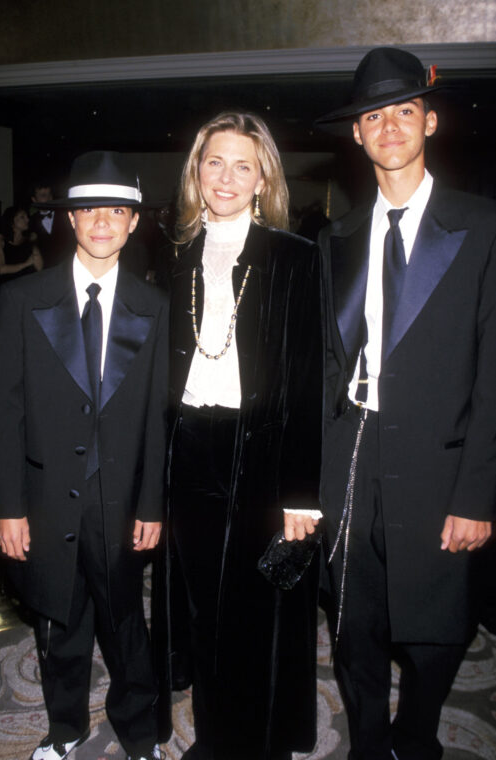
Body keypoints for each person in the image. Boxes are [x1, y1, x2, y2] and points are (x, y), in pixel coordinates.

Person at [316, 47, 496, 760]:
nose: (387, 126)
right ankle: (365, 744)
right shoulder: (329, 241)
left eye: (402, 111)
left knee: (433, 631)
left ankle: (416, 734)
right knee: (352, 628)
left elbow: (493, 372)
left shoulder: (482, 228)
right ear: (355, 136)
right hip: (348, 458)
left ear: (429, 121)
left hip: (440, 468)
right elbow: (317, 374)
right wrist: (307, 486)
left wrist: (477, 494)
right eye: (371, 116)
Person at [0, 151, 168, 760]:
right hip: (45, 496)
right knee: (58, 627)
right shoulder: (23, 299)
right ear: (69, 218)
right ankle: (64, 730)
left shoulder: (153, 306)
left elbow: (154, 421)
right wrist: (8, 509)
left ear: (134, 222)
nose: (102, 222)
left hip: (117, 501)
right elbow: (3, 416)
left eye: (116, 211)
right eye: (89, 209)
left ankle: (139, 735)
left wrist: (151, 504)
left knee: (125, 627)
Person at [163, 112, 323, 760]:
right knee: (201, 603)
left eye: (242, 165)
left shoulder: (292, 257)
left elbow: (308, 380)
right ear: (195, 174)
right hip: (187, 444)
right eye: (213, 162)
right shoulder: (169, 254)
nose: (225, 177)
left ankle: (259, 741)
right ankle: (212, 733)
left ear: (262, 181)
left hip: (260, 448)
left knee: (257, 611)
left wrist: (301, 493)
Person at [0, 205, 43, 289]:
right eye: (22, 217)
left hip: (27, 290)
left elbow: (39, 268)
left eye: (27, 217)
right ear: (12, 222)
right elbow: (1, 269)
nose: (27, 220)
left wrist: (34, 245)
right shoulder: (0, 243)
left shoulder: (29, 242)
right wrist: (26, 264)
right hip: (8, 291)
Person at [29, 180, 76, 267]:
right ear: (34, 199)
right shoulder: (30, 222)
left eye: (50, 194)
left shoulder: (66, 215)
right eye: (43, 195)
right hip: (44, 272)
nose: (49, 198)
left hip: (67, 266)